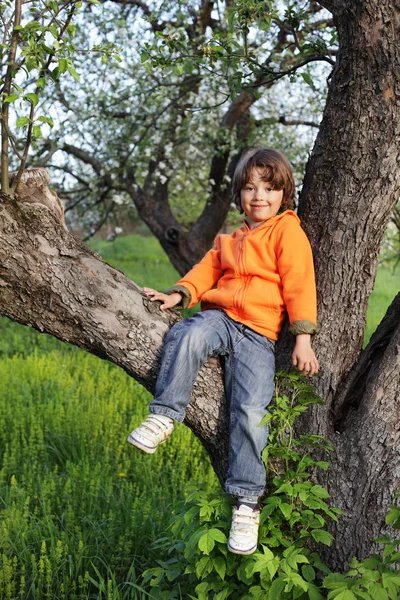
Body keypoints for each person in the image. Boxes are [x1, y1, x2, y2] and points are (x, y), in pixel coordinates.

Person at [127, 148, 319, 555]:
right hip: (220, 318)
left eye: (269, 188)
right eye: (249, 188)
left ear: (285, 193)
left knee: (250, 411)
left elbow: (300, 284)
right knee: (187, 336)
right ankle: (164, 414)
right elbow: (205, 271)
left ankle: (247, 504)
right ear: (238, 195)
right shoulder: (229, 239)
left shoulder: (288, 233)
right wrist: (179, 294)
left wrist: (303, 336)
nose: (259, 196)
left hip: (259, 334)